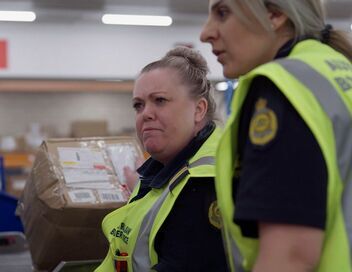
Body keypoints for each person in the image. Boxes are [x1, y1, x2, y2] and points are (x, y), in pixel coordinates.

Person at [200, 0, 352, 271]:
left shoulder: (284, 89)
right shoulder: (337, 71)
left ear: (276, 14)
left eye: (223, 13)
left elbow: (290, 257)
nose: (206, 32)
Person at [95, 46, 228, 272]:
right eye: (139, 105)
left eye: (160, 101)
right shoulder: (160, 174)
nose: (146, 113)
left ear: (199, 110)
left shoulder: (204, 183)